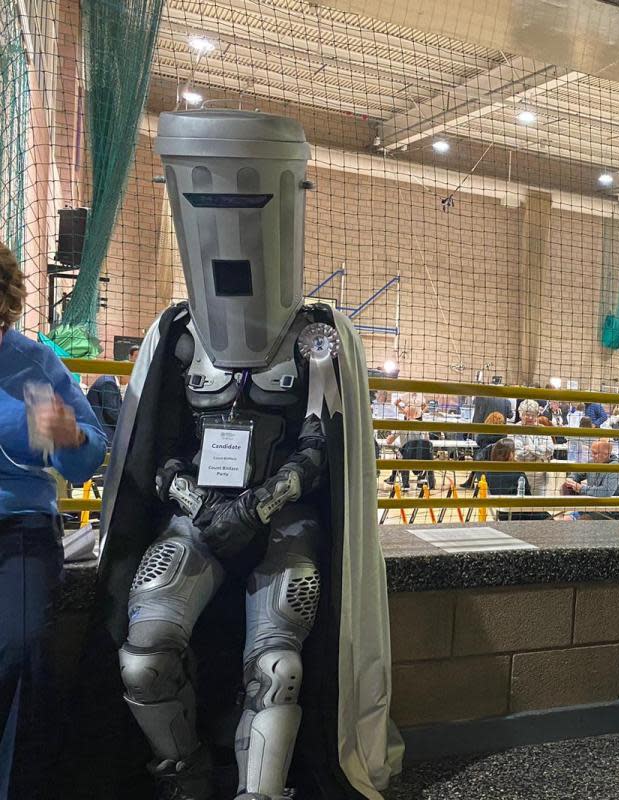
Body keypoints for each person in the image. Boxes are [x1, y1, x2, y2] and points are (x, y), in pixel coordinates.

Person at [87, 111, 399, 799]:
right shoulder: (176, 332)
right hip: (193, 517)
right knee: (143, 660)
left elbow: (318, 446)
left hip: (283, 523)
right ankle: (186, 777)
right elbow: (158, 449)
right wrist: (198, 504)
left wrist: (259, 505)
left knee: (278, 668)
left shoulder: (316, 336)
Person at [0, 241, 106, 800]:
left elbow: (90, 457)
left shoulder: (36, 363)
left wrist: (71, 435)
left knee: (18, 645)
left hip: (21, 524)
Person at [562, 439, 619, 520]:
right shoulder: (592, 463)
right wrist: (570, 480)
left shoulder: (615, 467)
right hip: (592, 505)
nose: (592, 455)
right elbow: (577, 474)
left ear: (607, 454)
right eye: (591, 452)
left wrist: (580, 488)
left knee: (583, 521)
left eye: (595, 453)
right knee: (566, 519)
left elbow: (606, 492)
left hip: (610, 510)